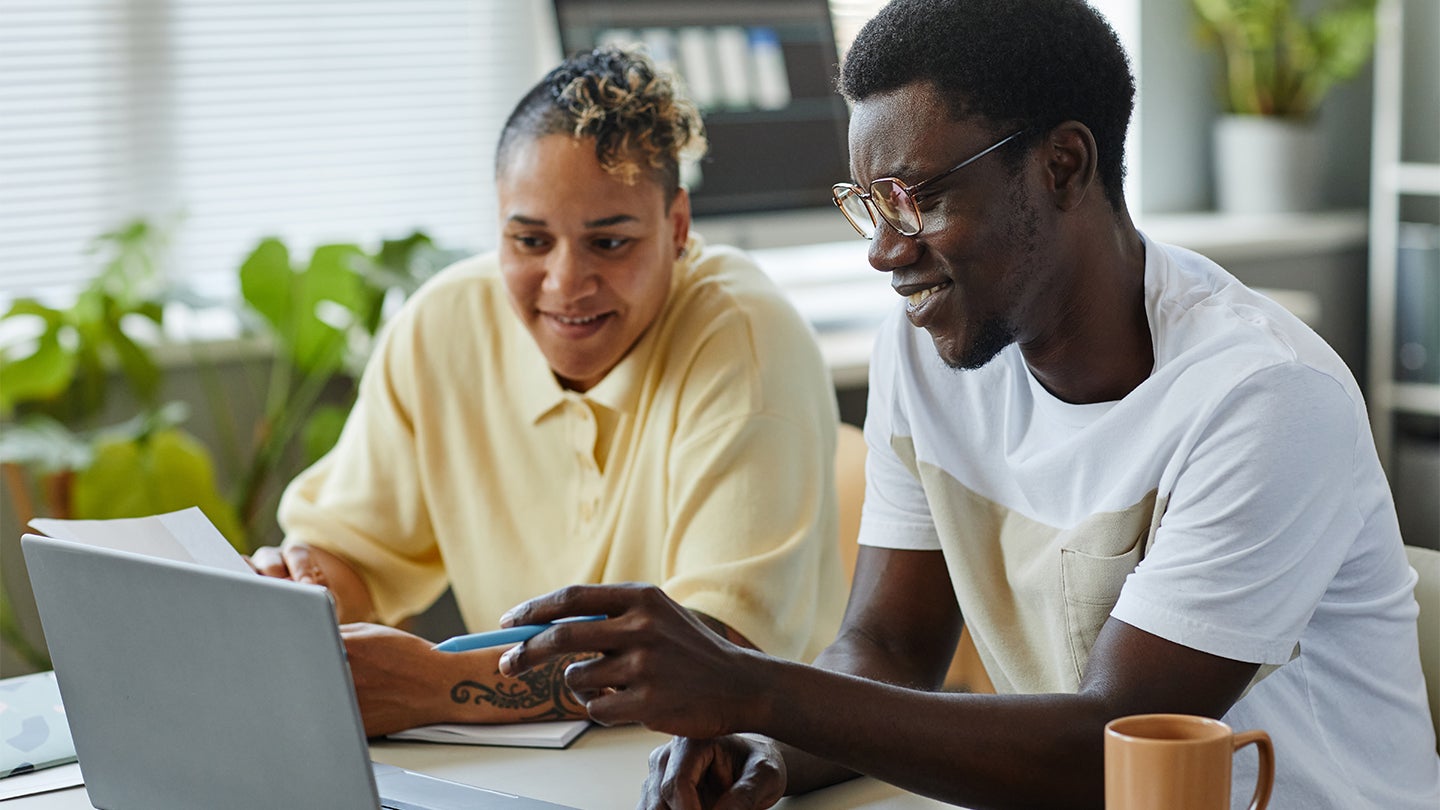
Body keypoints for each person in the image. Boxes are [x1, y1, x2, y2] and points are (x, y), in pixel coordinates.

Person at [495, 1, 1440, 808]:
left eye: (915, 199)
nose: (884, 250)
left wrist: (750, 691)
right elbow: (889, 647)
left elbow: (1108, 751)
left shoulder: (1262, 397)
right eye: (868, 205)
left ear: (1063, 166)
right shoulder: (927, 352)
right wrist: (764, 755)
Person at [248, 46, 847, 738]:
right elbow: (356, 553)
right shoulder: (445, 324)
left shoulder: (745, 339)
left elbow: (713, 658)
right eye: (530, 241)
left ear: (676, 228)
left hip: (739, 764)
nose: (566, 284)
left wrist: (442, 688)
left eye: (611, 243)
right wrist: (309, 593)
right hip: (528, 767)